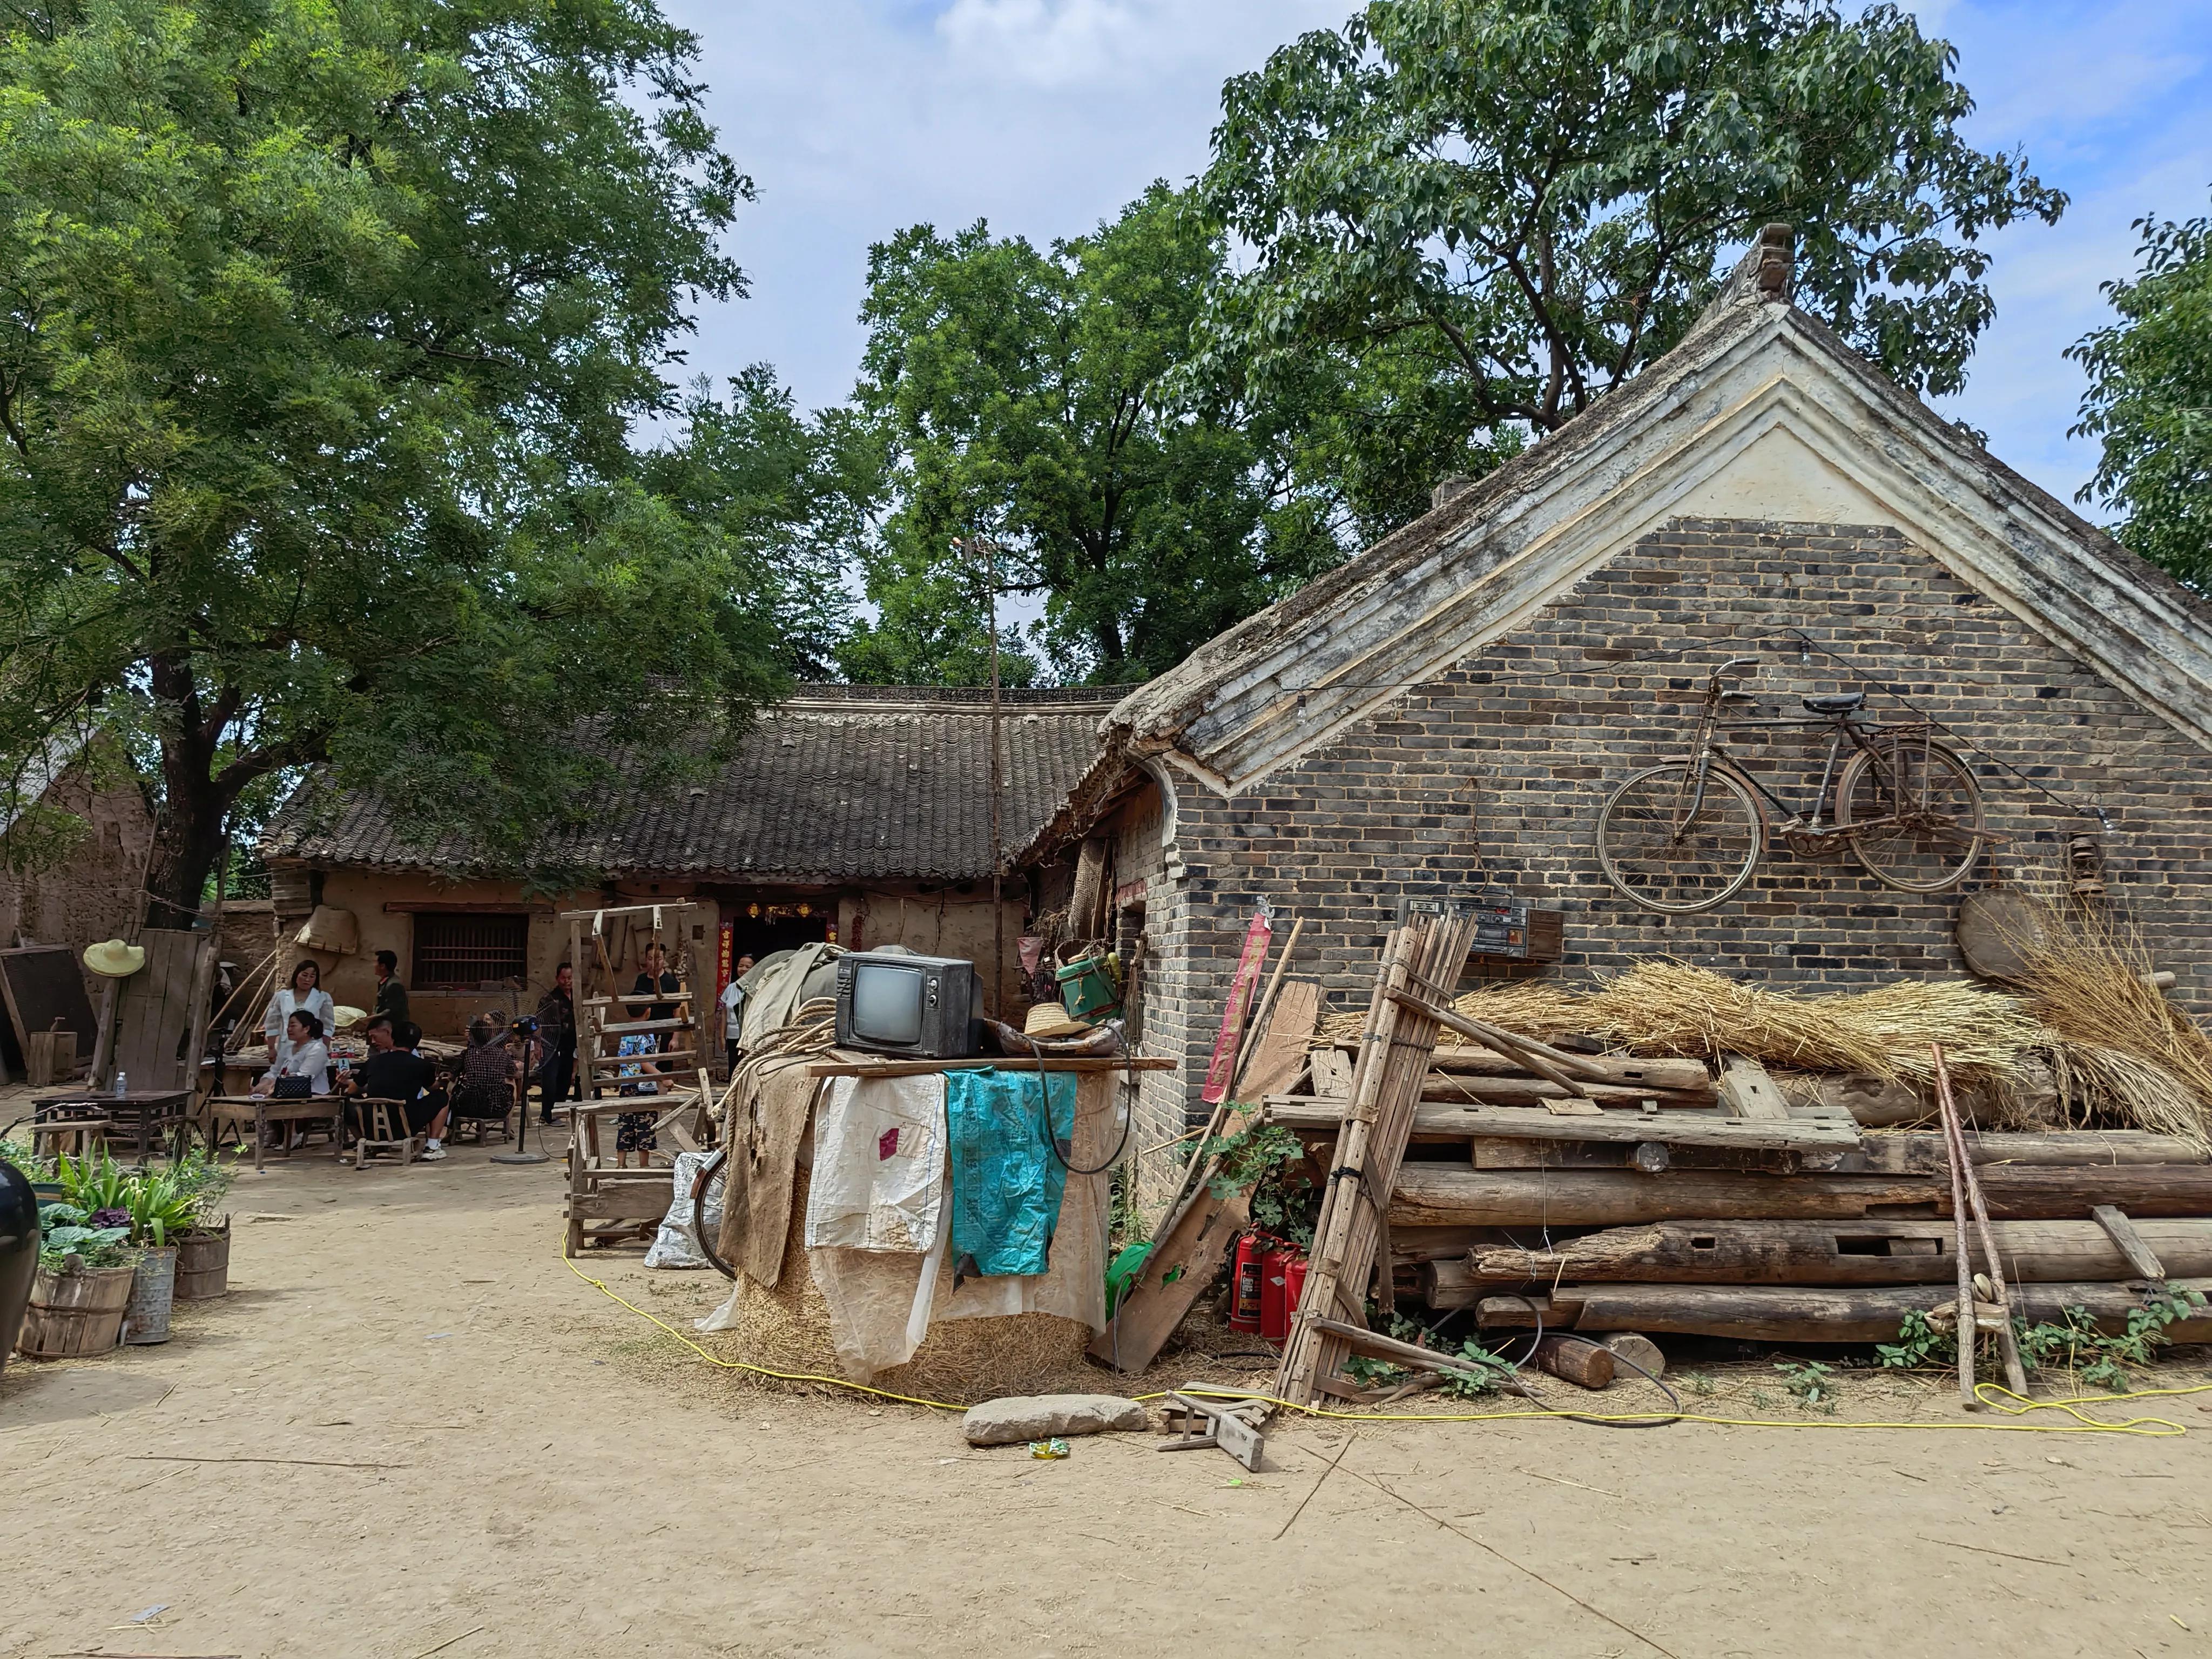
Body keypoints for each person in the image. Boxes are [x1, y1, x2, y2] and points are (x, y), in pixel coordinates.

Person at [618, 941, 683, 1165]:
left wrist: (674, 1037)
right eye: (651, 958)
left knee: (626, 1123)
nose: (655, 962)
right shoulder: (640, 981)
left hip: (661, 1035)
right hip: (643, 1076)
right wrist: (662, 1078)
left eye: (659, 958)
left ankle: (621, 1163)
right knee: (644, 1124)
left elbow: (677, 1011)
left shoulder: (671, 982)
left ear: (664, 959)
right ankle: (643, 1165)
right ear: (645, 959)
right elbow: (643, 1062)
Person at [347, 1014, 447, 1158]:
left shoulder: (373, 1062)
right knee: (442, 1096)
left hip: (371, 1127)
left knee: (349, 1098)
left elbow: (352, 1090)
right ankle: (432, 1146)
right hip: (405, 1126)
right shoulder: (421, 1065)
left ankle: (364, 1142)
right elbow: (431, 1088)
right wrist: (442, 1083)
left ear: (393, 1037)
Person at [262, 960, 334, 1078]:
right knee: (283, 1075)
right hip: (286, 1045)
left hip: (311, 1045)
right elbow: (272, 1024)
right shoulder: (282, 996)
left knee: (307, 1076)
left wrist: (325, 1050)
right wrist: (271, 1049)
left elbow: (327, 1026)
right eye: (305, 975)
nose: (307, 980)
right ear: (297, 975)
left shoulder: (322, 997)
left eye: (312, 976)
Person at [450, 1014, 518, 1132]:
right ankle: (508, 1126)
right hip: (499, 1108)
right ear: (491, 1035)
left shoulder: (467, 1054)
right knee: (511, 1083)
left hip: (468, 1107)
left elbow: (452, 1075)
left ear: (472, 1036)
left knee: (451, 1085)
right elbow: (514, 1074)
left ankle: (450, 1131)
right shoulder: (502, 1054)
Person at [253, 1009, 332, 1096]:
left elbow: (304, 1077)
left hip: (314, 1095)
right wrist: (264, 1083)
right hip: (285, 1094)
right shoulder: (287, 1049)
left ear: (306, 1029)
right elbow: (275, 1071)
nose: (289, 1029)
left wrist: (274, 1085)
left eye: (293, 1026)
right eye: (288, 1026)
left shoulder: (318, 1048)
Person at [535, 962, 577, 1127]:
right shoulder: (549, 999)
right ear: (557, 979)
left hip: (570, 1044)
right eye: (563, 978)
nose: (567, 982)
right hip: (551, 1044)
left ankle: (557, 1111)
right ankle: (547, 1114)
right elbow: (539, 1023)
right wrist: (538, 1045)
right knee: (550, 1080)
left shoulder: (578, 996)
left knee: (566, 1079)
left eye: (570, 978)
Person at [720, 954, 754, 1074]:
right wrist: (722, 1037)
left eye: (748, 967)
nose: (744, 969)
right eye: (741, 966)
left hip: (750, 1036)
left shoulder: (756, 989)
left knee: (747, 1067)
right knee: (733, 1067)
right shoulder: (731, 988)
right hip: (733, 1035)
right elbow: (724, 1014)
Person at [372, 950, 410, 1029]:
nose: (373, 965)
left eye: (375, 962)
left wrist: (372, 1018)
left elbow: (393, 1011)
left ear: (382, 966)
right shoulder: (384, 982)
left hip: (393, 1029)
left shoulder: (394, 985)